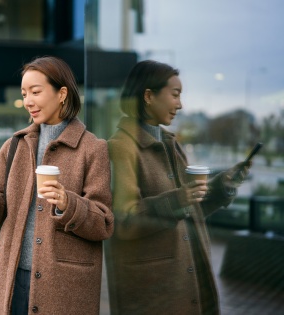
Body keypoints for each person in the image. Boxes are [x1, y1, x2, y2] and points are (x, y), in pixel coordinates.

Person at [0, 56, 113, 315]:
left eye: (35, 91)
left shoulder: (92, 149)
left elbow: (104, 223)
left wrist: (68, 203)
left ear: (62, 93)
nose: (28, 101)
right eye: (24, 93)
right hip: (11, 277)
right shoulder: (14, 146)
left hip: (64, 285)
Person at [105, 60, 252, 315]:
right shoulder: (120, 147)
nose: (180, 105)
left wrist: (221, 186)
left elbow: (188, 209)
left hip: (182, 275)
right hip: (153, 289)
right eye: (175, 95)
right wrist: (178, 199)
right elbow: (124, 222)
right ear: (148, 96)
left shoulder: (170, 144)